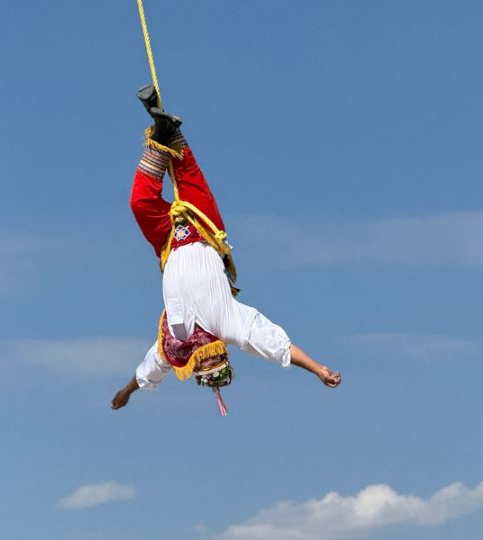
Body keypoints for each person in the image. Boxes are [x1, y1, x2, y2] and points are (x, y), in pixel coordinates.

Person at [111, 86, 341, 411]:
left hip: (167, 241)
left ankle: (160, 136)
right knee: (189, 178)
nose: (211, 357)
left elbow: (149, 370)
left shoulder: (174, 346)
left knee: (140, 202)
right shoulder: (231, 325)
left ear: (198, 366)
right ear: (223, 353)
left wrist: (126, 392)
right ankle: (170, 131)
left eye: (207, 366)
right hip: (205, 232)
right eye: (218, 360)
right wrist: (318, 369)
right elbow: (277, 346)